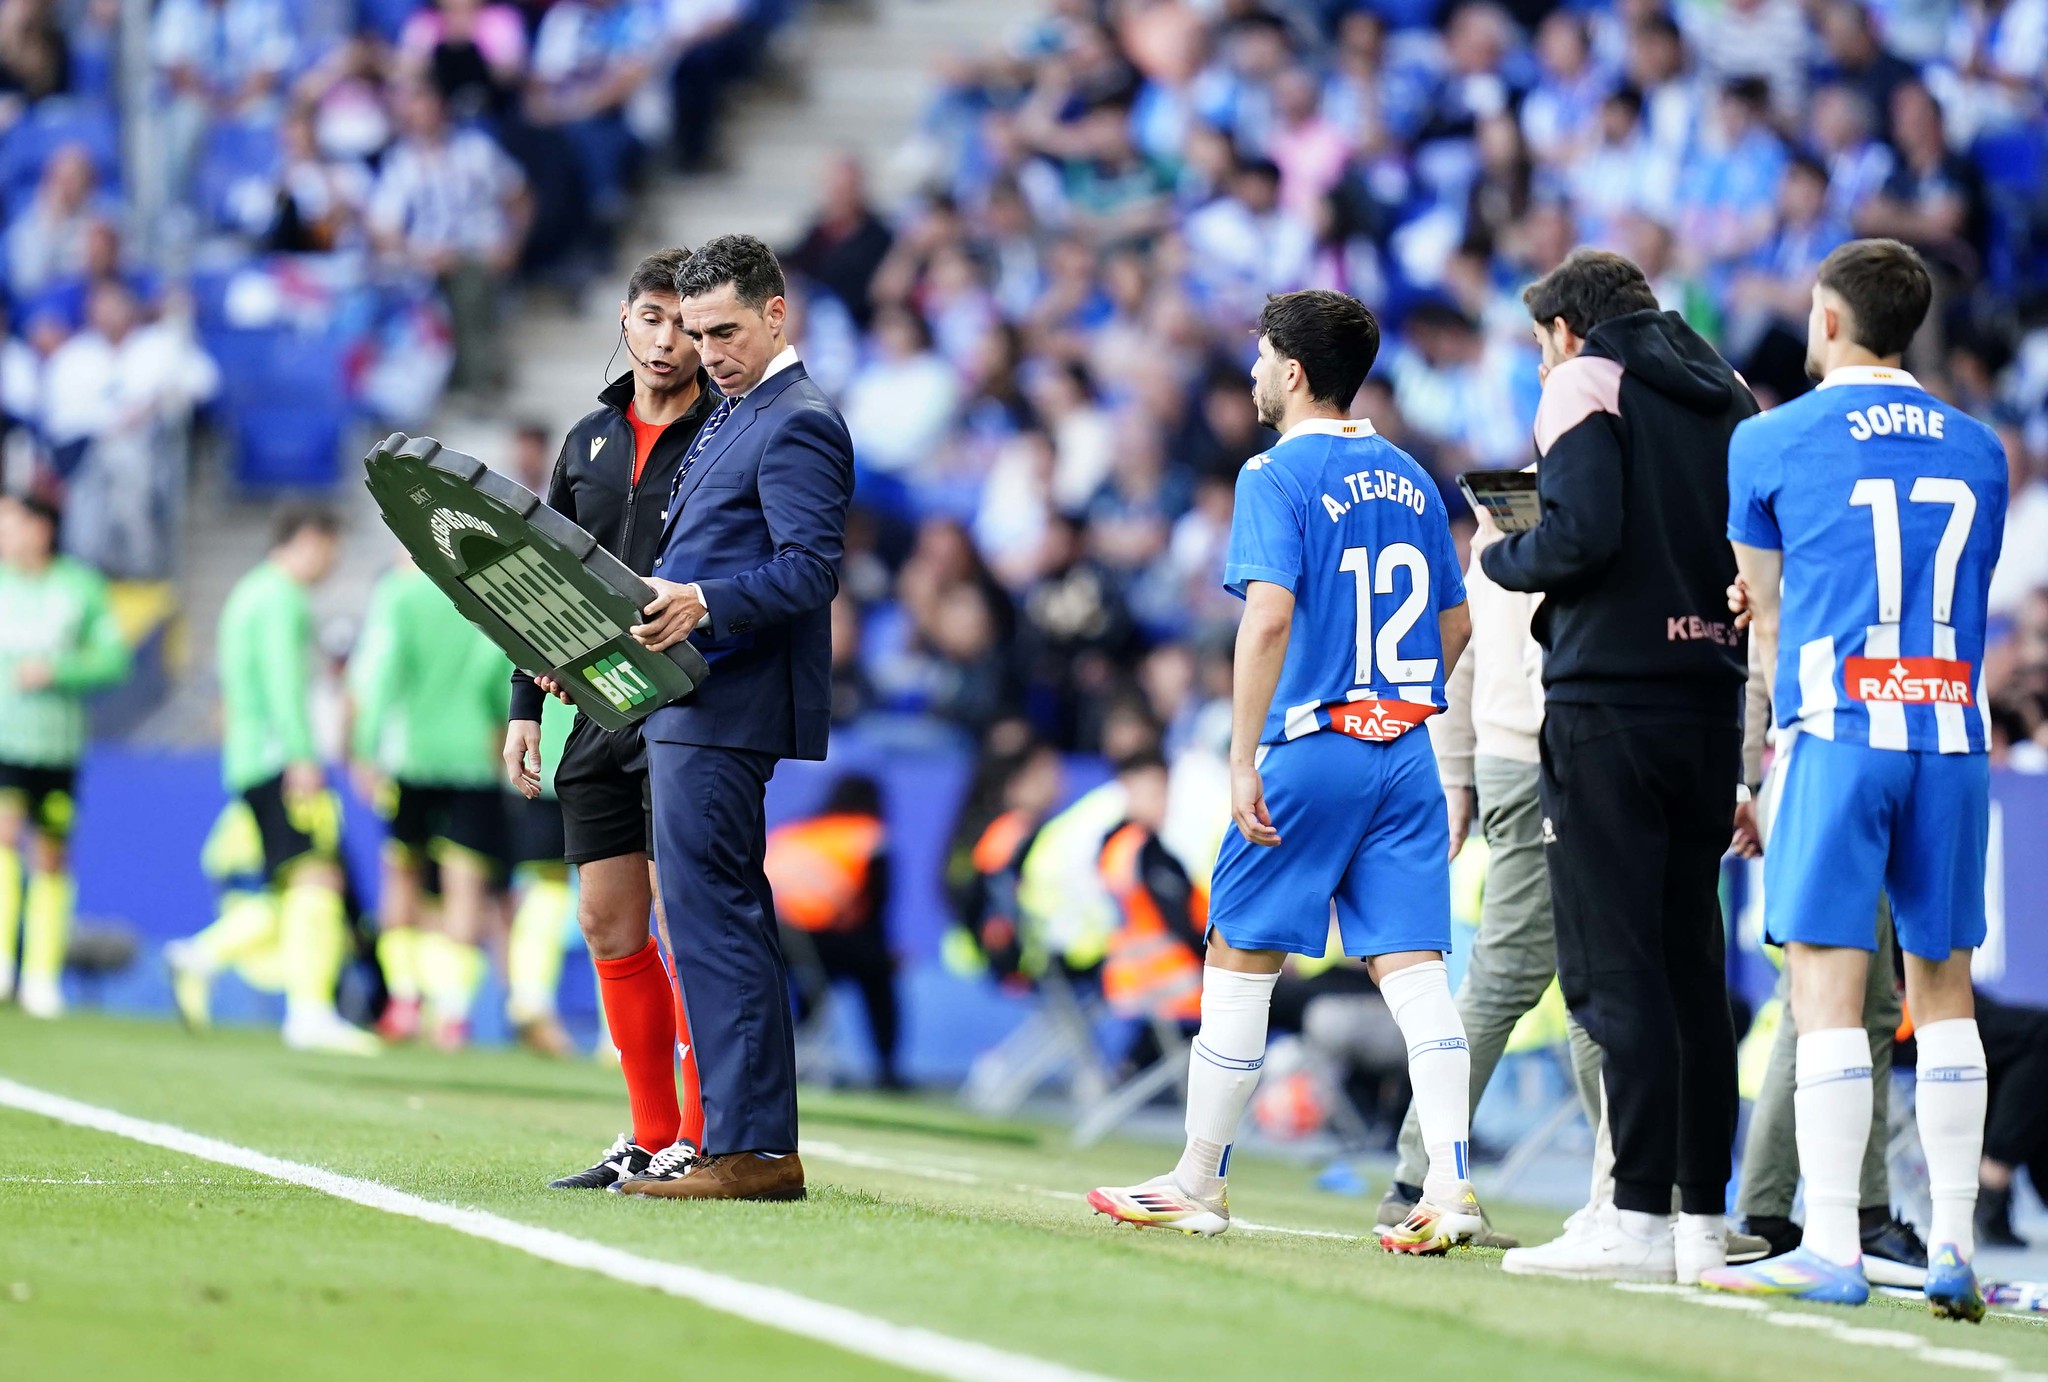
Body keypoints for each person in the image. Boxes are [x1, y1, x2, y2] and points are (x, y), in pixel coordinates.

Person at [1088, 288, 1482, 1254]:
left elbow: (1265, 617)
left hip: (1314, 746)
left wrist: (1239, 754)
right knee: (1417, 972)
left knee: (1239, 956)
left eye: (1264, 357)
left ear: (1294, 372)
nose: (1255, 373)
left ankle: (1198, 1180)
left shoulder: (1274, 474)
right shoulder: (1413, 477)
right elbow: (1460, 621)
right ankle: (1453, 1185)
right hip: (1405, 753)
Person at [1701, 239, 2008, 1321]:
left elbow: (1766, 616)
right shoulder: (1982, 447)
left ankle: (1828, 1241)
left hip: (1837, 727)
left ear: (1825, 322)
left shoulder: (1768, 436)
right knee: (1942, 988)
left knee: (1825, 991)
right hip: (1952, 732)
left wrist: (1748, 761)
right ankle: (1955, 1244)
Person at [1482, 249, 1757, 1284]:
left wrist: (1498, 554)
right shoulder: (1727, 389)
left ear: (1563, 328)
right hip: (1706, 698)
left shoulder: (1579, 383)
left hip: (1608, 700)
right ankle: (1697, 1217)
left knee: (1612, 964)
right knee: (1692, 964)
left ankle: (1632, 1212)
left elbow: (1579, 534)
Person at [613, 234, 855, 1201]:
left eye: (726, 330)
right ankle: (736, 1141)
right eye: (696, 331)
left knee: (717, 917)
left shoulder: (796, 420)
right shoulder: (737, 414)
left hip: (728, 703)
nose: (707, 349)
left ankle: (751, 1150)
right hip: (690, 697)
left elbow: (811, 568)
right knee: (707, 913)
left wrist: (705, 602)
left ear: (776, 314)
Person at [503, 247, 722, 1191]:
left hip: (686, 707)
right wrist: (525, 704)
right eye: (650, 318)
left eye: (684, 323)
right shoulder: (588, 440)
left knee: (692, 920)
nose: (667, 339)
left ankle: (709, 1137)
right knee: (606, 920)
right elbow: (532, 577)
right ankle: (647, 1131)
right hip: (596, 708)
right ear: (624, 321)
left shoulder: (726, 436)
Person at [1379, 501, 1602, 1252]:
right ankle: (1422, 1176)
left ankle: (1420, 1175)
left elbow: (1465, 638)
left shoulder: (1508, 496)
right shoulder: (1609, 483)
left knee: (1537, 974)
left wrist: (1453, 771)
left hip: (1510, 754)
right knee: (1555, 974)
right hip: (1563, 749)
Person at [207, 508, 376, 1054]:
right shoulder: (280, 598)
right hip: (281, 759)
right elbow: (285, 683)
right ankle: (309, 1012)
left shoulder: (251, 592)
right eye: (331, 550)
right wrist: (303, 756)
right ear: (309, 541)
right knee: (317, 880)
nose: (334, 563)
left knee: (296, 884)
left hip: (252, 757)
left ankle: (209, 960)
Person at [348, 548, 512, 1050]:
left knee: (401, 875)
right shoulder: (482, 595)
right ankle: (453, 1013)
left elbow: (378, 675)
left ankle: (403, 999)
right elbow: (496, 675)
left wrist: (365, 750)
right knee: (466, 887)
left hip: (411, 757)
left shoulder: (399, 593)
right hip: (471, 760)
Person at [0, 492, 128, 1016]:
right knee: (4, 836)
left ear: (41, 528)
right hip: (5, 739)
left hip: (56, 746)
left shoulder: (81, 587)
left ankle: (42, 976)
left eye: (11, 522)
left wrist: (58, 670)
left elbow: (115, 660)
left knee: (50, 853)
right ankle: (3, 961)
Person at [766, 773, 902, 1088]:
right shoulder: (869, 838)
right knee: (879, 977)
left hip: (780, 942)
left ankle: (793, 1052)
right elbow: (876, 905)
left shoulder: (793, 834)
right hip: (834, 939)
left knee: (808, 983)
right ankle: (887, 1068)